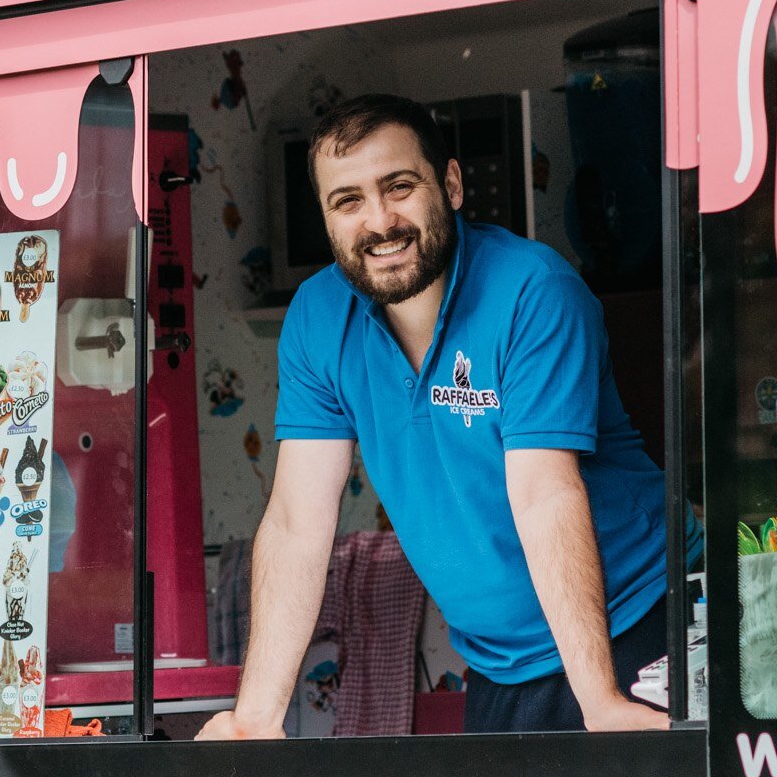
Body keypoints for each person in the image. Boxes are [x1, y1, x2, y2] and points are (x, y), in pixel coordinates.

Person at [198, 94, 670, 737]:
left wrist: (603, 705)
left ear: (450, 184)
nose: (380, 221)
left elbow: (543, 493)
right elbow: (296, 520)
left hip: (634, 625)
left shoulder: (534, 290)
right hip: (500, 665)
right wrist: (254, 718)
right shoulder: (316, 317)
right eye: (349, 201)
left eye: (400, 187)